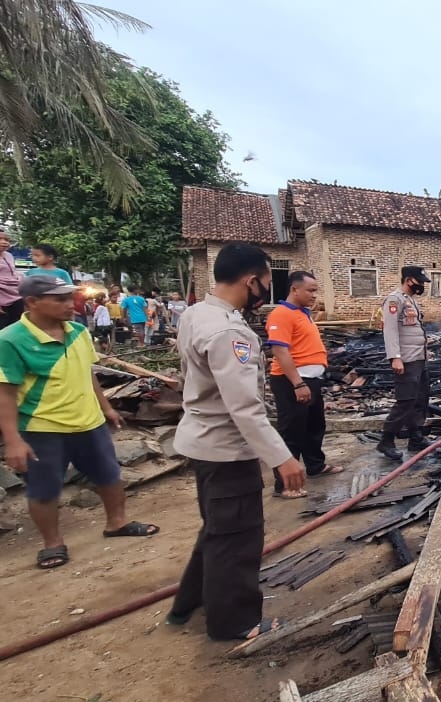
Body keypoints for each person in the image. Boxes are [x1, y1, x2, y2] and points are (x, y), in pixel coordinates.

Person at [167, 243, 305, 641]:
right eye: (266, 282)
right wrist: (282, 458)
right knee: (238, 539)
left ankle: (188, 603)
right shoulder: (230, 332)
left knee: (217, 530)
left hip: (202, 444)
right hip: (227, 449)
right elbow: (244, 408)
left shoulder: (197, 313)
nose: (266, 291)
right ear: (251, 281)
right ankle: (236, 623)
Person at [0, 276, 160, 569]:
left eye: (69, 298)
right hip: (42, 426)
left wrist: (106, 408)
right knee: (44, 488)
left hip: (89, 421)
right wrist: (13, 439)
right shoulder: (10, 340)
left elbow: (87, 373)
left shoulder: (77, 332)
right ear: (32, 302)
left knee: (109, 476)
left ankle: (117, 522)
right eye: (59, 299)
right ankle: (52, 543)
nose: (69, 305)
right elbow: (5, 392)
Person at [265, 271, 343, 498]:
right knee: (292, 431)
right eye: (310, 290)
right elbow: (280, 350)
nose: (314, 295)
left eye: (315, 291)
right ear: (294, 289)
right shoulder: (281, 314)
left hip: (310, 379)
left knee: (314, 426)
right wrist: (298, 384)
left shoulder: (303, 313)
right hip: (292, 380)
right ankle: (284, 485)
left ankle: (315, 466)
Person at [377, 265, 433, 461]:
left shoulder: (410, 301)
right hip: (406, 359)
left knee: (420, 398)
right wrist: (395, 357)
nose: (422, 286)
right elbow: (390, 330)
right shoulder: (395, 300)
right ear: (409, 280)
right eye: (420, 282)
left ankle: (416, 437)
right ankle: (386, 440)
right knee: (406, 401)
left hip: (419, 358)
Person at [0, 230, 22, 329]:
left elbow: (13, 273)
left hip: (16, 296)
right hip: (2, 299)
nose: (4, 242)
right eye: (0, 239)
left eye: (7, 240)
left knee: (15, 327)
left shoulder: (9, 255)